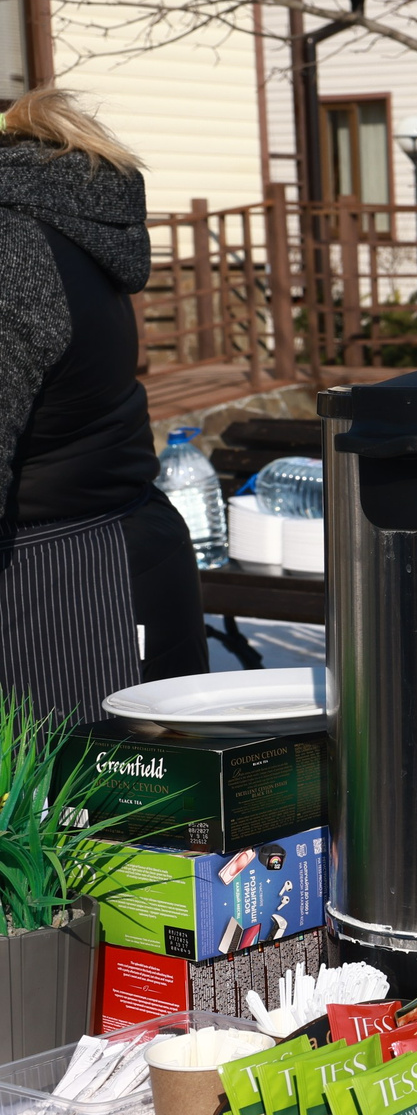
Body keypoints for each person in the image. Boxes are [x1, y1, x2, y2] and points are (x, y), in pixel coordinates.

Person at [0, 90, 206, 719]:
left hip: (68, 584)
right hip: (105, 550)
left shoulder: (12, 246)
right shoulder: (50, 227)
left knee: (82, 783)